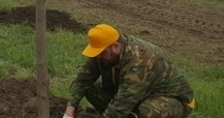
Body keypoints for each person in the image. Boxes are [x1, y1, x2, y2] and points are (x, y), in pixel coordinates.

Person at [64, 24, 195, 118]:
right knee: (91, 88)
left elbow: (124, 101)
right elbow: (83, 79)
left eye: (101, 52)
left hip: (174, 100)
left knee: (146, 111)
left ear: (115, 46)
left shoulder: (139, 59)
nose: (98, 56)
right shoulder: (103, 54)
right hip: (136, 95)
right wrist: (69, 111)